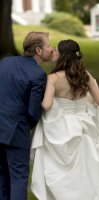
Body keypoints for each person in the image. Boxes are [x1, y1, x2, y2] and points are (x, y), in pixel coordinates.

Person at [31, 39, 99, 200]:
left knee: (64, 167)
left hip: (61, 127)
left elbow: (47, 105)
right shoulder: (84, 75)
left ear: (63, 55)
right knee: (89, 164)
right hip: (85, 124)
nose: (53, 52)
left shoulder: (53, 78)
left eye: (56, 50)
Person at [0, 31, 53, 200]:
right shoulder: (38, 75)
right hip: (17, 130)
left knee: (1, 175)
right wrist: (28, 124)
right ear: (38, 50)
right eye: (48, 46)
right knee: (19, 176)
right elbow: (33, 111)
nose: (51, 49)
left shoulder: (5, 62)